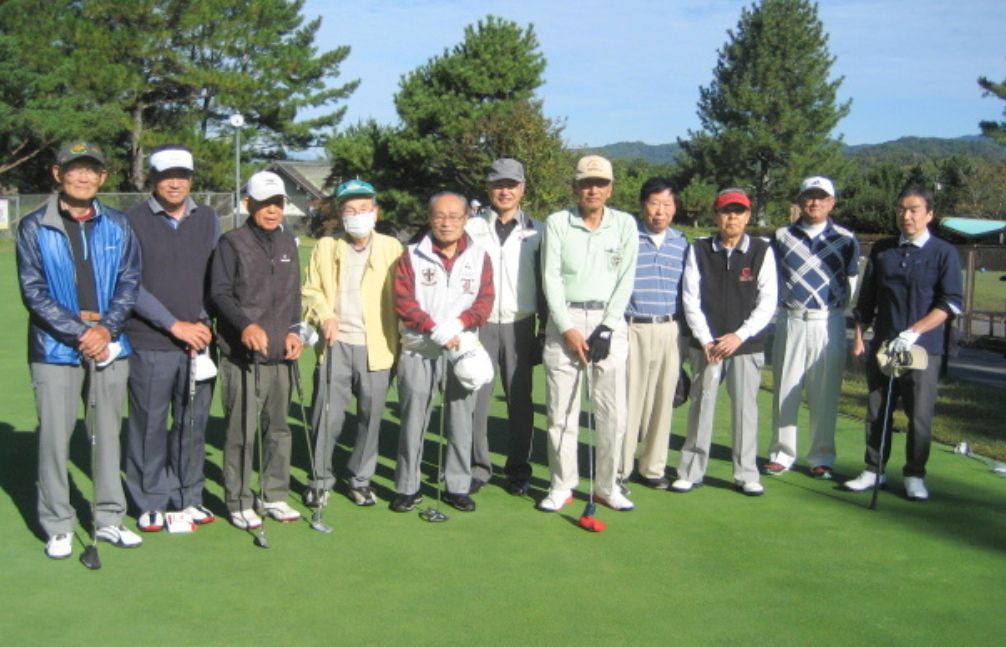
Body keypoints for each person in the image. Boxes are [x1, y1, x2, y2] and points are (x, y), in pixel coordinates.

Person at [16, 141, 143, 558]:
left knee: (107, 434)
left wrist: (104, 329)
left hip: (110, 342)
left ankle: (109, 518)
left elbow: (129, 282)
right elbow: (33, 292)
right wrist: (80, 332)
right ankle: (58, 524)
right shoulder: (34, 226)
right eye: (75, 169)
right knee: (55, 438)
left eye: (92, 170)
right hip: (55, 347)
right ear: (58, 174)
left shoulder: (119, 224)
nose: (83, 177)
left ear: (102, 177)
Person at [844, 185, 962, 500]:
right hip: (884, 345)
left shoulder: (943, 252)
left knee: (919, 415)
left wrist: (914, 331)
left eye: (913, 210)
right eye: (901, 209)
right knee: (877, 410)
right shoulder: (883, 250)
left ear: (929, 214)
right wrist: (859, 337)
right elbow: (867, 300)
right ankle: (874, 469)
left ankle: (914, 474)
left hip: (923, 348)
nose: (906, 215)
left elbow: (950, 303)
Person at [124, 145, 219, 532]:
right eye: (166, 176)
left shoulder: (208, 218)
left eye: (182, 176)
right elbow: (129, 284)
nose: (175, 183)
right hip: (150, 340)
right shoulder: (132, 220)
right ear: (153, 180)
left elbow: (216, 277)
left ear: (191, 179)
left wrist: (202, 321)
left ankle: (187, 496)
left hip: (198, 341)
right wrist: (174, 325)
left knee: (192, 423)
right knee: (149, 425)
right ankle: (150, 499)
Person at [539, 155, 638, 512]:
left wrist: (608, 327)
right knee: (561, 412)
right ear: (575, 187)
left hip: (608, 319)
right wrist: (567, 328)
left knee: (612, 413)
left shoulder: (625, 224)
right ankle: (561, 485)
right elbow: (550, 277)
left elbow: (626, 279)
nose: (592, 189)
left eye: (600, 183)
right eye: (585, 183)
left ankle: (607, 486)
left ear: (610, 189)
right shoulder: (557, 223)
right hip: (564, 318)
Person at [210, 170, 303, 529]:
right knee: (241, 430)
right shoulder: (231, 243)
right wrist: (244, 325)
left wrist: (294, 331)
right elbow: (219, 294)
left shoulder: (289, 242)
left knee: (278, 428)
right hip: (242, 354)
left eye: (277, 203)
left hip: (281, 353)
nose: (272, 210)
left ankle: (274, 495)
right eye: (264, 203)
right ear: (248, 204)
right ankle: (238, 500)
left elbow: (293, 295)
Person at [301, 178, 403, 507]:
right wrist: (324, 315)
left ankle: (360, 479)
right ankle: (320, 479)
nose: (358, 215)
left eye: (364, 208)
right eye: (350, 210)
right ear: (341, 214)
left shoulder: (392, 247)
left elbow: (405, 295)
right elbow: (311, 290)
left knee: (370, 418)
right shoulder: (326, 246)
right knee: (326, 417)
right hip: (336, 344)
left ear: (376, 211)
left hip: (379, 345)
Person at [392, 191, 494, 513]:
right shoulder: (411, 255)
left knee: (461, 419)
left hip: (462, 350)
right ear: (429, 218)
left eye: (454, 216)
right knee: (413, 420)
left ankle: (457, 486)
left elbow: (484, 302)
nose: (446, 223)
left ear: (466, 219)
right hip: (419, 347)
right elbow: (403, 301)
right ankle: (407, 487)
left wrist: (458, 325)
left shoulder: (480, 256)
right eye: (439, 216)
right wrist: (432, 327)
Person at [671, 189, 777, 496]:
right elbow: (690, 298)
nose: (732, 217)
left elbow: (767, 302)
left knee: (745, 409)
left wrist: (739, 335)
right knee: (701, 405)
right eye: (726, 211)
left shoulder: (761, 250)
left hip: (746, 345)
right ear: (716, 216)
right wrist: (706, 339)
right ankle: (691, 471)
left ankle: (746, 473)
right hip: (707, 345)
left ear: (748, 216)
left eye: (738, 212)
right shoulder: (700, 249)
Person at [765, 176, 860, 480]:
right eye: (809, 196)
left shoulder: (846, 239)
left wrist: (838, 310)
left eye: (821, 197)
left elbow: (852, 281)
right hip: (791, 318)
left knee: (825, 393)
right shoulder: (781, 236)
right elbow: (771, 277)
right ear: (801, 200)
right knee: (785, 390)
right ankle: (781, 454)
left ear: (832, 203)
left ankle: (821, 457)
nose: (815, 202)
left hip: (828, 321)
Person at [465, 158, 544, 496]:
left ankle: (518, 470)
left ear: (522, 188)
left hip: (520, 324)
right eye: (499, 185)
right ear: (488, 189)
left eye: (511, 185)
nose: (505, 191)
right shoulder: (471, 228)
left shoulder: (539, 231)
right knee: (476, 399)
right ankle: (477, 468)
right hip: (478, 324)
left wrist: (544, 330)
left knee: (520, 401)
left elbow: (546, 283)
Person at [620, 177, 688, 491]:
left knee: (663, 401)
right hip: (633, 326)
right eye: (654, 203)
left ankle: (653, 467)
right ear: (643, 205)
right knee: (629, 400)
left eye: (667, 204)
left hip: (670, 329)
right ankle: (620, 467)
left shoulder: (682, 243)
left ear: (675, 208)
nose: (660, 211)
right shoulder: (628, 237)